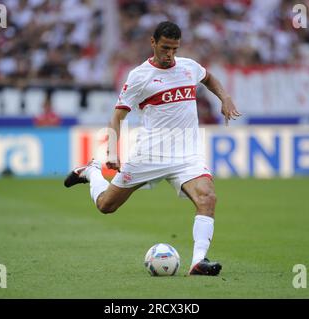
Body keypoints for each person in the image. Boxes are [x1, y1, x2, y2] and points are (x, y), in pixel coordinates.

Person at [64, 21, 241, 276]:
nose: (170, 54)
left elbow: (209, 78)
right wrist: (112, 152)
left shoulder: (188, 67)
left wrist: (224, 97)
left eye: (174, 49)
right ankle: (92, 172)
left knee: (208, 197)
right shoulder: (140, 76)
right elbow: (116, 117)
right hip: (149, 155)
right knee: (106, 206)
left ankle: (198, 262)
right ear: (153, 43)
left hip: (186, 155)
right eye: (165, 48)